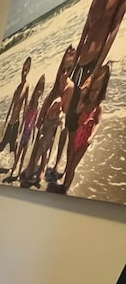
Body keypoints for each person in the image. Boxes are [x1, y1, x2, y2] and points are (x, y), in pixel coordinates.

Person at [49, 0, 126, 180]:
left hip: (92, 63)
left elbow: (112, 33)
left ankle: (70, 171)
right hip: (80, 62)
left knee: (80, 121)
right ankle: (65, 167)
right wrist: (72, 68)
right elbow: (86, 28)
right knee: (69, 119)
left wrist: (94, 73)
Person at [48, 64, 110, 194]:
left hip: (84, 141)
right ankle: (64, 184)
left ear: (101, 91)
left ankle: (64, 188)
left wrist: (91, 137)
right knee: (69, 161)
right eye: (92, 90)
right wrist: (82, 97)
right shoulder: (85, 103)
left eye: (96, 91)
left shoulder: (98, 107)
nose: (93, 94)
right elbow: (77, 111)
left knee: (73, 164)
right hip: (76, 136)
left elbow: (98, 122)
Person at [20, 47, 75, 187]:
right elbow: (48, 98)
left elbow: (65, 109)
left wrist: (59, 116)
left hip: (55, 120)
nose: (64, 72)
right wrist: (40, 118)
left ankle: (42, 169)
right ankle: (31, 166)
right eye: (63, 68)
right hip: (46, 118)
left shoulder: (70, 86)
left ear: (72, 68)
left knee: (47, 145)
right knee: (38, 143)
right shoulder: (58, 80)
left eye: (68, 69)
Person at [0, 56, 31, 170]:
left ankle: (15, 166)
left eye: (26, 69)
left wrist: (22, 125)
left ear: (28, 71)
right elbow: (11, 106)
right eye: (23, 69)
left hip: (17, 122)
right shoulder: (17, 87)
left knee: (14, 145)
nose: (24, 72)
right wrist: (5, 123)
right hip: (10, 122)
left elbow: (25, 106)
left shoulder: (26, 86)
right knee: (2, 145)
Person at [3, 74, 45, 183]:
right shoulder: (30, 105)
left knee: (23, 156)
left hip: (29, 133)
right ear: (35, 91)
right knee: (19, 154)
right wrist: (20, 133)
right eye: (38, 90)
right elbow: (25, 119)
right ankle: (13, 171)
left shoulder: (38, 106)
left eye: (41, 90)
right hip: (24, 133)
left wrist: (34, 135)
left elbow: (35, 122)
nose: (39, 93)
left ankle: (18, 173)